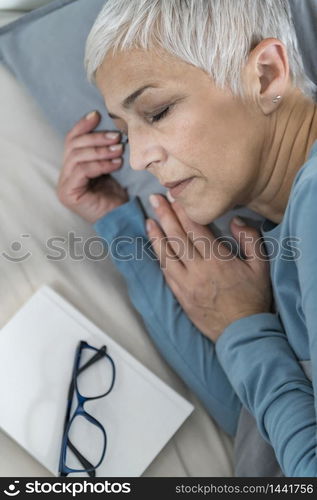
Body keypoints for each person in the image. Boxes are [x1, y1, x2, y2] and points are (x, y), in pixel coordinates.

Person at [58, 0, 317, 477]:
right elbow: (255, 431)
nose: (138, 160)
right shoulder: (277, 234)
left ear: (266, 74)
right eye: (124, 132)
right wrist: (117, 219)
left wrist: (242, 327)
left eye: (156, 111)